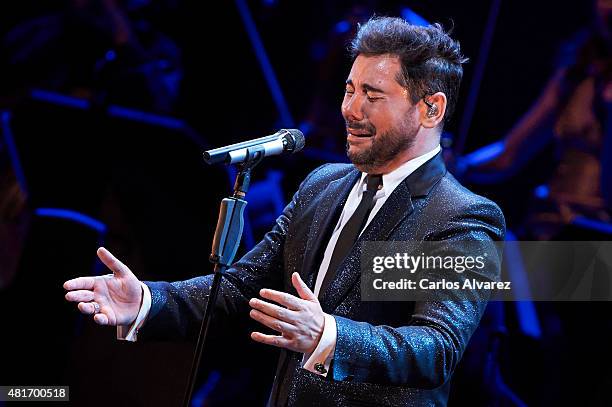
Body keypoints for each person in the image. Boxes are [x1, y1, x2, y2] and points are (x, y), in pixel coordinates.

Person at [64, 17, 505, 406]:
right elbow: (242, 289)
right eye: (349, 89)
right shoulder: (323, 184)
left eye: (372, 95)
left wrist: (329, 336)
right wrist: (148, 299)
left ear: (431, 109)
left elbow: (434, 347)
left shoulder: (458, 217)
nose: (349, 109)